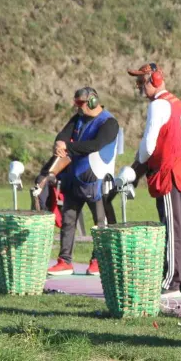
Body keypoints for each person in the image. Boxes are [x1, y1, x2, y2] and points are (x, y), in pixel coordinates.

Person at [127, 63, 181, 298]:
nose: (139, 88)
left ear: (155, 80)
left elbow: (148, 145)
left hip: (170, 173)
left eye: (142, 82)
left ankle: (171, 282)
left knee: (173, 228)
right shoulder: (178, 104)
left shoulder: (158, 105)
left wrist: (135, 168)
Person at [46, 87, 120, 277]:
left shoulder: (109, 123)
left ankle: (98, 261)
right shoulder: (78, 118)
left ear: (93, 101)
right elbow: (63, 134)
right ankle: (65, 261)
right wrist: (59, 145)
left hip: (96, 179)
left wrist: (68, 146)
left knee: (99, 223)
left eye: (80, 103)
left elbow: (95, 145)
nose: (77, 107)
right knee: (68, 220)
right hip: (75, 176)